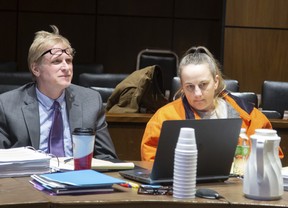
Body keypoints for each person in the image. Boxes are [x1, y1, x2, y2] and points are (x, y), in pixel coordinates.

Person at [141, 46, 284, 161]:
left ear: (216, 82)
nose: (197, 93)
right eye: (189, 86)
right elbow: (150, 160)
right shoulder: (164, 118)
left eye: (203, 84)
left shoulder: (249, 115)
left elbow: (273, 157)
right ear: (182, 87)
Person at [0, 25, 117, 159]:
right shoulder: (7, 105)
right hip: (28, 177)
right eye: (56, 61)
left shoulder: (90, 101)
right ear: (36, 69)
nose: (66, 67)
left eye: (68, 61)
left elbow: (107, 157)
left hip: (77, 177)